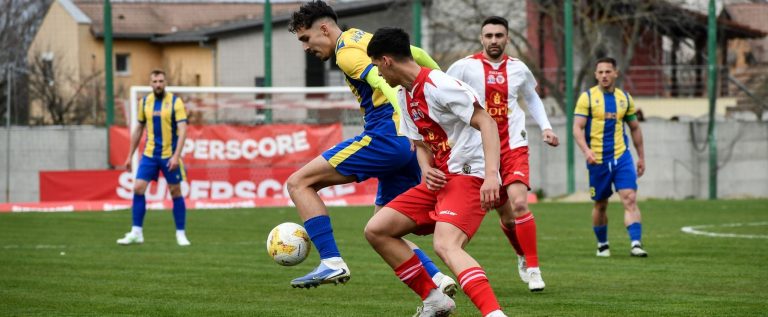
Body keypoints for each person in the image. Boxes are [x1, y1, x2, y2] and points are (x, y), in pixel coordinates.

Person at [286, 0, 456, 293]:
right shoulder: (363, 37)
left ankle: (331, 260)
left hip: (387, 136)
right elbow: (417, 54)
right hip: (407, 147)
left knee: (299, 183)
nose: (305, 48)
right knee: (382, 226)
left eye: (305, 38)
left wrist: (405, 119)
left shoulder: (346, 54)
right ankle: (438, 280)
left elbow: (381, 81)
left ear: (324, 29)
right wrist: (443, 85)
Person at [364, 27, 507, 317]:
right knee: (377, 229)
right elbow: (420, 144)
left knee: (446, 244)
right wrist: (426, 168)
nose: (378, 75)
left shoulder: (440, 85)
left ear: (387, 60)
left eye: (377, 66)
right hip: (440, 179)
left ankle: (495, 314)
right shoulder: (404, 95)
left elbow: (487, 123)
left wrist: (492, 175)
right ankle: (435, 299)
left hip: (469, 174)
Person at [446, 16, 558, 292]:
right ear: (481, 38)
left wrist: (545, 127)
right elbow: (441, 97)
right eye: (489, 35)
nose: (494, 40)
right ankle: (521, 254)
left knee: (520, 204)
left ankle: (533, 268)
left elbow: (531, 97)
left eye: (499, 35)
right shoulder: (463, 67)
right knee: (507, 218)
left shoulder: (519, 69)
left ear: (507, 38)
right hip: (482, 151)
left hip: (514, 145)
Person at [572, 57, 648, 257]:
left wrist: (641, 157)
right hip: (597, 160)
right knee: (601, 204)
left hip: (622, 156)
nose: (604, 75)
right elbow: (577, 128)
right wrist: (586, 151)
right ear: (595, 75)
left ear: (616, 73)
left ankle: (636, 244)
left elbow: (635, 128)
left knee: (630, 198)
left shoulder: (625, 99)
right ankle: (603, 244)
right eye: (600, 72)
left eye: (608, 71)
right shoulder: (587, 98)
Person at [117, 69, 191, 247]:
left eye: (161, 81)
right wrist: (130, 155)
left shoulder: (175, 102)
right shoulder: (144, 103)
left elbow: (183, 131)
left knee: (175, 192)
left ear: (165, 83)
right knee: (138, 188)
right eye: (155, 81)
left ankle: (181, 234)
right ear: (150, 83)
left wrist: (176, 156)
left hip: (169, 156)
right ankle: (136, 233)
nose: (158, 84)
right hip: (150, 155)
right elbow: (138, 129)